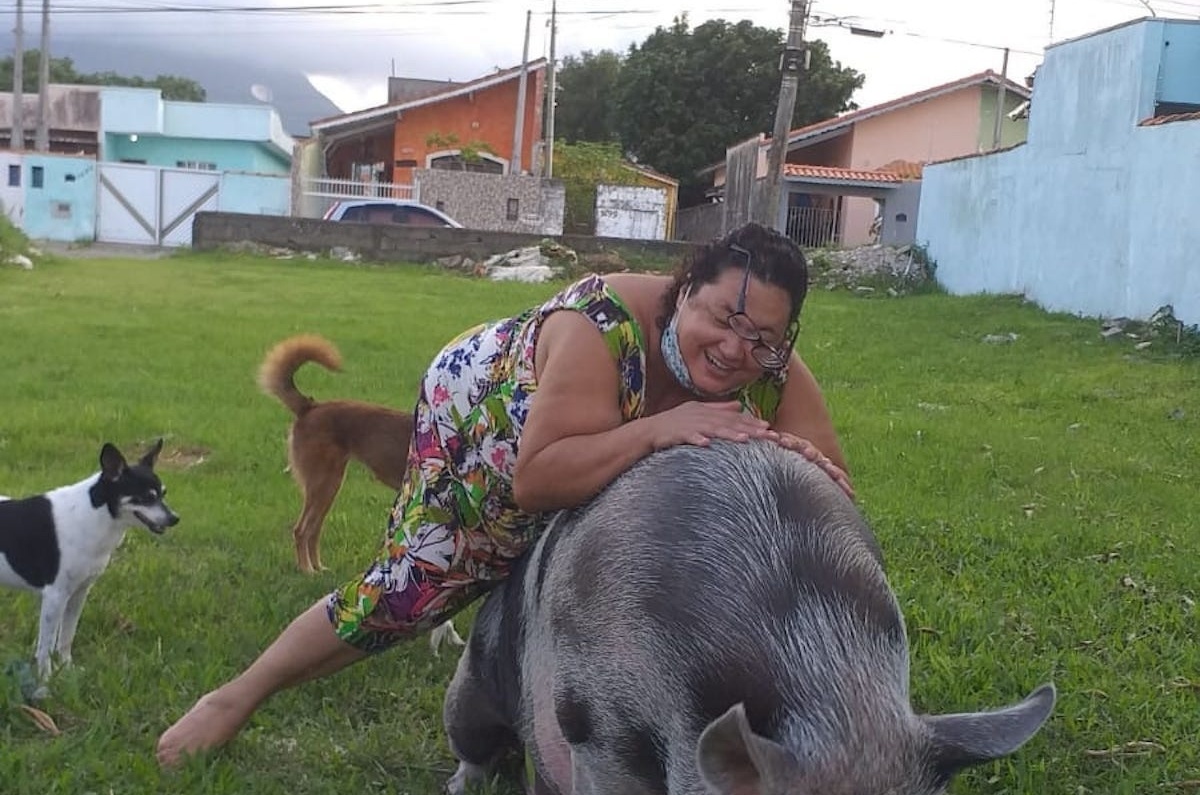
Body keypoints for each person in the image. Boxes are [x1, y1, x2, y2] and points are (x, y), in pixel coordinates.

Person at [157, 222, 851, 765]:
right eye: (722, 321)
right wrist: (662, 429)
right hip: (486, 420)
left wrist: (793, 459)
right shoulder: (601, 325)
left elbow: (831, 499)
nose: (736, 350)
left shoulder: (770, 367)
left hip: (589, 437)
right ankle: (233, 699)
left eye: (761, 337)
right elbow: (540, 476)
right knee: (413, 590)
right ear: (684, 288)